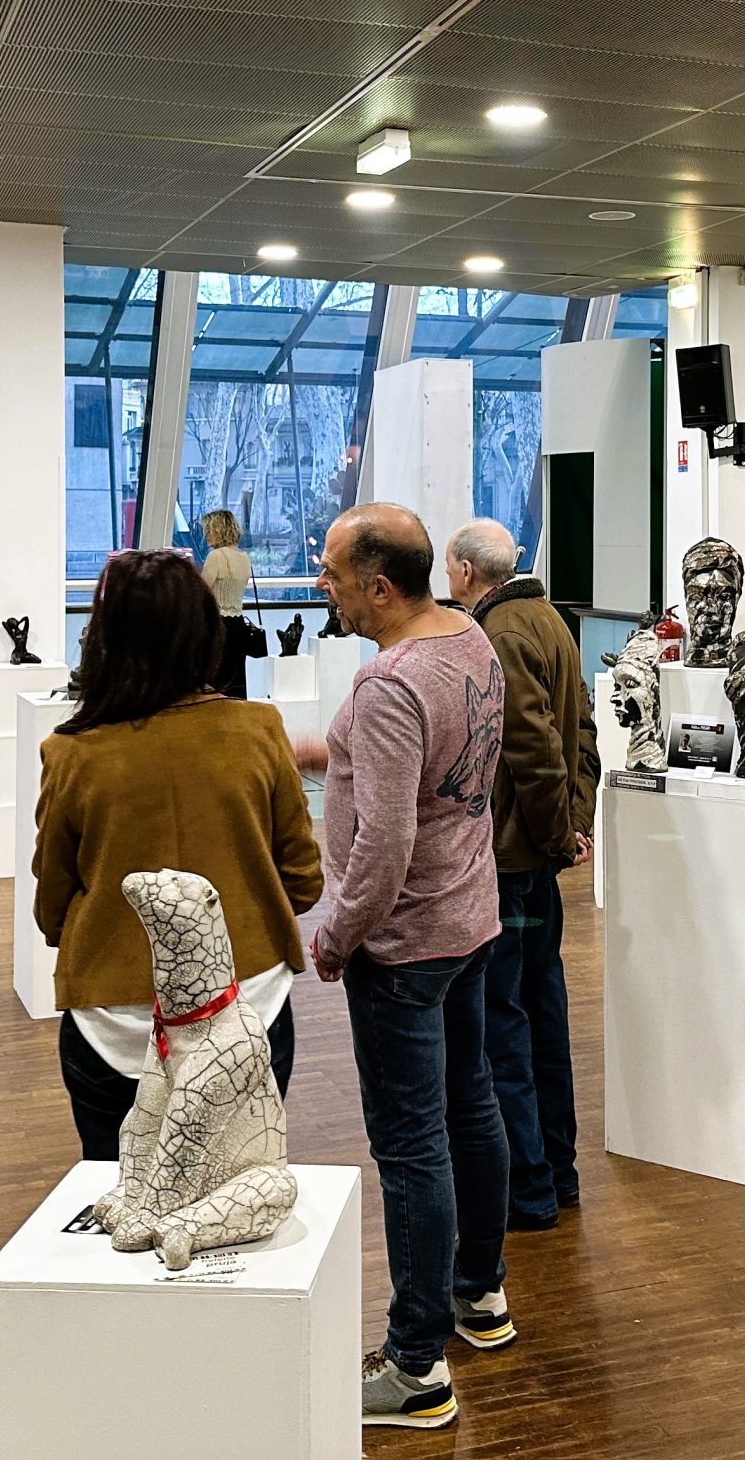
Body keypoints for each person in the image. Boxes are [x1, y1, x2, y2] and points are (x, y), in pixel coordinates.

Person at [294, 502, 509, 1434]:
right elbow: (423, 777)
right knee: (473, 1108)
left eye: (334, 574)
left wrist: (335, 937)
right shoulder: (468, 638)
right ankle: (480, 1297)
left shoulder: (389, 684)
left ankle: (417, 1365)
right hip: (466, 922)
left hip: (404, 945)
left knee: (412, 1145)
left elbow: (381, 845)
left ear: (378, 587)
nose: (321, 586)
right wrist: (316, 752)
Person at [31, 549, 321, 1159]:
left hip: (114, 1020)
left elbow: (51, 903)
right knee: (238, 1193)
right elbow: (302, 882)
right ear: (206, 631)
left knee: (119, 1200)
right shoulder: (260, 730)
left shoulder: (72, 753)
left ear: (103, 638)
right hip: (248, 1004)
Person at [443, 517, 595, 1232]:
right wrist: (573, 823)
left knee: (505, 1024)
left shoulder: (498, 633)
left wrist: (554, 835)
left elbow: (532, 747)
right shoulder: (553, 621)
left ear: (468, 573)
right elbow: (583, 737)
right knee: (542, 1015)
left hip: (513, 861)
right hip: (538, 851)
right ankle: (556, 1176)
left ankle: (530, 1190)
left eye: (450, 568)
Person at [200, 509, 255, 701]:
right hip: (239, 625)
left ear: (220, 530)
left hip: (218, 625)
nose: (206, 535)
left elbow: (203, 592)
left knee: (216, 680)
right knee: (237, 680)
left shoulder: (215, 557)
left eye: (209, 530)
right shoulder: (244, 557)